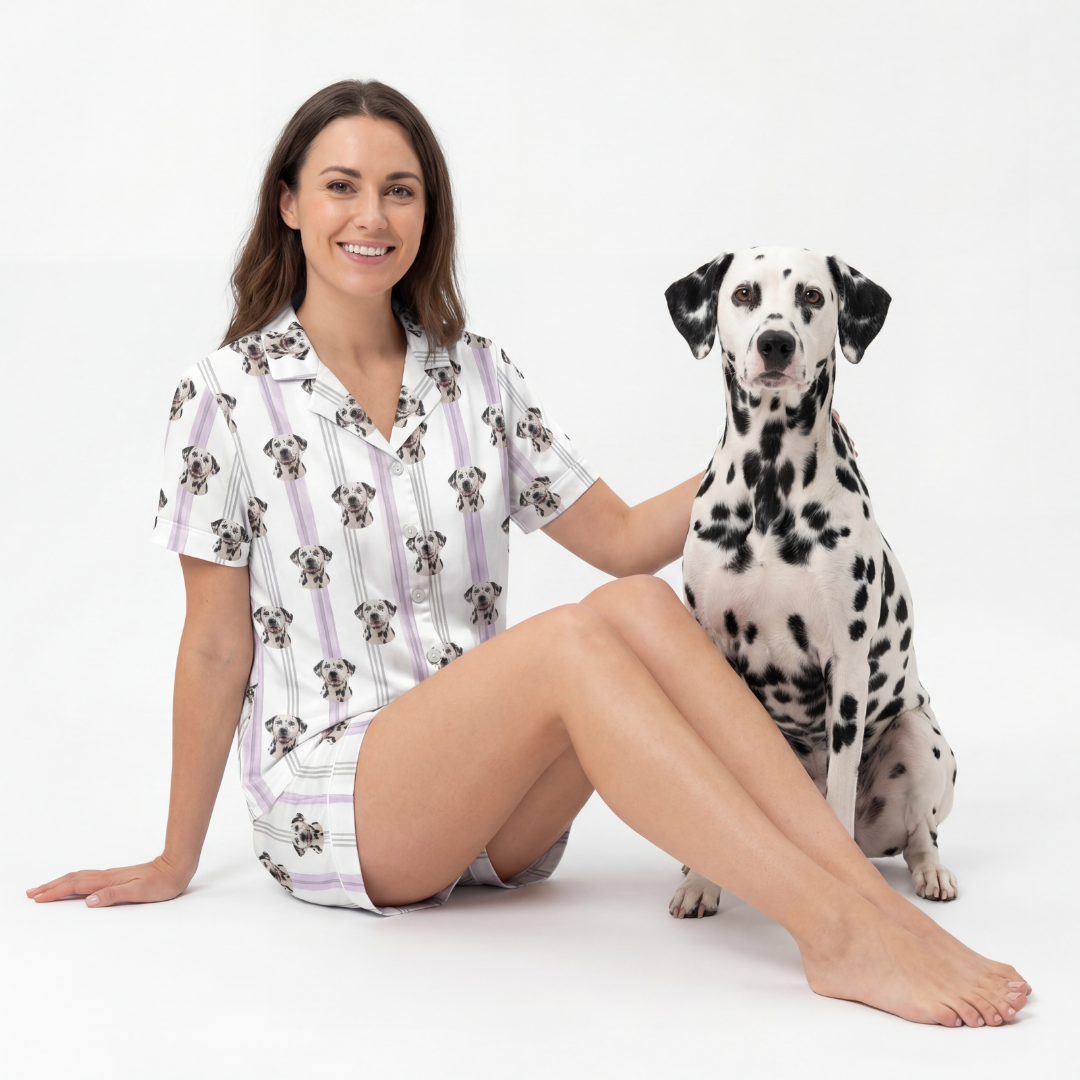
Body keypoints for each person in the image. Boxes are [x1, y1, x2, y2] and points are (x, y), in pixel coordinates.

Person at [27, 80, 1029, 1028]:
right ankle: (838, 932)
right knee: (571, 643)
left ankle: (869, 900)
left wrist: (789, 458)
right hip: (342, 801)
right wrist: (173, 856)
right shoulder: (227, 395)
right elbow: (211, 650)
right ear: (288, 202)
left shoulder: (475, 376)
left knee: (643, 607)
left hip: (497, 808)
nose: (370, 215)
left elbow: (628, 539)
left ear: (429, 213)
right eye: (341, 186)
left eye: (399, 190)